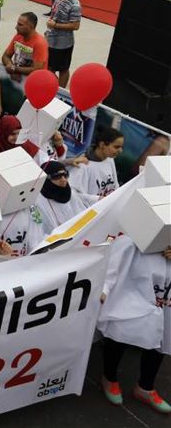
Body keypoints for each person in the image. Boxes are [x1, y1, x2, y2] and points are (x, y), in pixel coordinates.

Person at [98, 237, 170, 413]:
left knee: (161, 336)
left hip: (165, 290)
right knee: (123, 328)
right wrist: (104, 288)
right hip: (136, 280)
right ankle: (110, 378)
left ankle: (145, 388)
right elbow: (115, 258)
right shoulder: (133, 237)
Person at [34, 161, 97, 233]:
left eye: (65, 175)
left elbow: (82, 214)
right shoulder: (38, 201)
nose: (63, 180)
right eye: (57, 176)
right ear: (46, 179)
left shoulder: (70, 193)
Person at [45, 0, 81, 88]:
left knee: (63, 69)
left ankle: (60, 92)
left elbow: (76, 25)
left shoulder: (74, 4)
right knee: (49, 67)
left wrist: (55, 25)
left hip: (63, 44)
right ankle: (51, 87)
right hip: (51, 39)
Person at [68, 126, 123, 199]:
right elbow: (73, 195)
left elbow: (115, 186)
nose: (120, 151)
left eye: (121, 147)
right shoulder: (82, 166)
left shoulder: (109, 160)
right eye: (116, 147)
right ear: (102, 145)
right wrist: (97, 199)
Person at [1, 12, 49, 83]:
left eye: (20, 25)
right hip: (18, 79)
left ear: (31, 26)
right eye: (17, 23)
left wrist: (14, 69)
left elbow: (36, 70)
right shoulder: (18, 36)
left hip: (34, 82)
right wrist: (11, 66)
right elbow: (5, 56)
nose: (16, 27)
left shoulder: (40, 43)